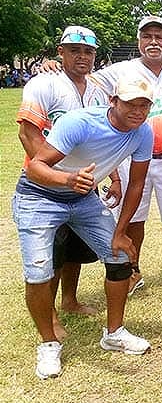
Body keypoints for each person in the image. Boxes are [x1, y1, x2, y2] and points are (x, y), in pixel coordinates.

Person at [13, 76, 156, 380]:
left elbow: (138, 184)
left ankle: (114, 332)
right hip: (39, 195)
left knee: (119, 256)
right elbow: (35, 167)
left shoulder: (143, 133)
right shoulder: (79, 123)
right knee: (38, 271)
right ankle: (48, 344)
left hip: (82, 198)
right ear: (113, 102)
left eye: (144, 105)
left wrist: (120, 231)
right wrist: (68, 179)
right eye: (131, 103)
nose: (138, 111)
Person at [90, 15, 162, 293]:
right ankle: (133, 270)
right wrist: (52, 68)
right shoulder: (122, 70)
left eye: (159, 36)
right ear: (139, 41)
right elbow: (88, 79)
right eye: (147, 36)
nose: (153, 41)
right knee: (133, 216)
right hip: (133, 157)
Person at [16, 25, 114, 339]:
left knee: (77, 249)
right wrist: (53, 176)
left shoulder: (98, 88)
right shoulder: (44, 83)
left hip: (84, 183)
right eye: (74, 50)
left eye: (88, 51)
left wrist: (112, 176)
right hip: (47, 188)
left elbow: (104, 138)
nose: (82, 57)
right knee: (53, 252)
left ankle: (70, 300)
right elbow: (28, 133)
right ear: (61, 52)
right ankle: (51, 314)